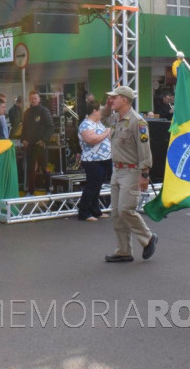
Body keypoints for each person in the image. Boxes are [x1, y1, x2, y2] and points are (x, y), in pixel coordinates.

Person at [103, 85, 157, 263]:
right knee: (116, 213)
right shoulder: (115, 119)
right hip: (117, 170)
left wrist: (145, 173)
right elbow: (101, 117)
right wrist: (107, 104)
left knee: (126, 209)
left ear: (125, 100)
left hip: (132, 171)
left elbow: (145, 149)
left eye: (115, 98)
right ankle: (123, 251)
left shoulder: (137, 121)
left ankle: (148, 238)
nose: (111, 100)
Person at [77, 100, 111, 221]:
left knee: (97, 186)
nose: (100, 113)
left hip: (104, 158)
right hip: (92, 160)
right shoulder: (86, 125)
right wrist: (106, 133)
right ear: (94, 111)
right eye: (99, 111)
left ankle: (95, 210)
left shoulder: (98, 123)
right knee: (91, 186)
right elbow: (91, 140)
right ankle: (84, 212)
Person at [20, 91, 54, 195]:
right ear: (29, 100)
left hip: (41, 145)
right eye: (31, 98)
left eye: (35, 98)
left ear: (39, 99)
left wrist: (44, 140)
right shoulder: (27, 112)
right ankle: (30, 192)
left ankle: (48, 190)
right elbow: (24, 128)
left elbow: (50, 127)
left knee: (45, 168)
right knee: (30, 169)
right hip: (30, 145)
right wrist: (23, 139)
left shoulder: (44, 111)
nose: (33, 100)